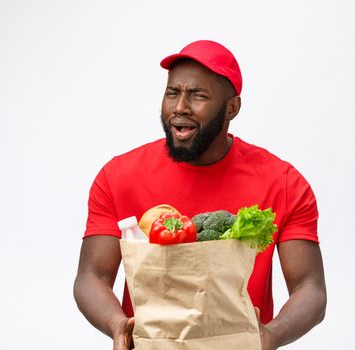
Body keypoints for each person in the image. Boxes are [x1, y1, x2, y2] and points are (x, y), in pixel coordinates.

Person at [74, 40, 326, 350]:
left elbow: (310, 288)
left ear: (231, 108)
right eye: (172, 92)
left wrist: (270, 335)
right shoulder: (118, 176)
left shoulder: (283, 183)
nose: (180, 106)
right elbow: (91, 276)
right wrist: (117, 326)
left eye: (198, 95)